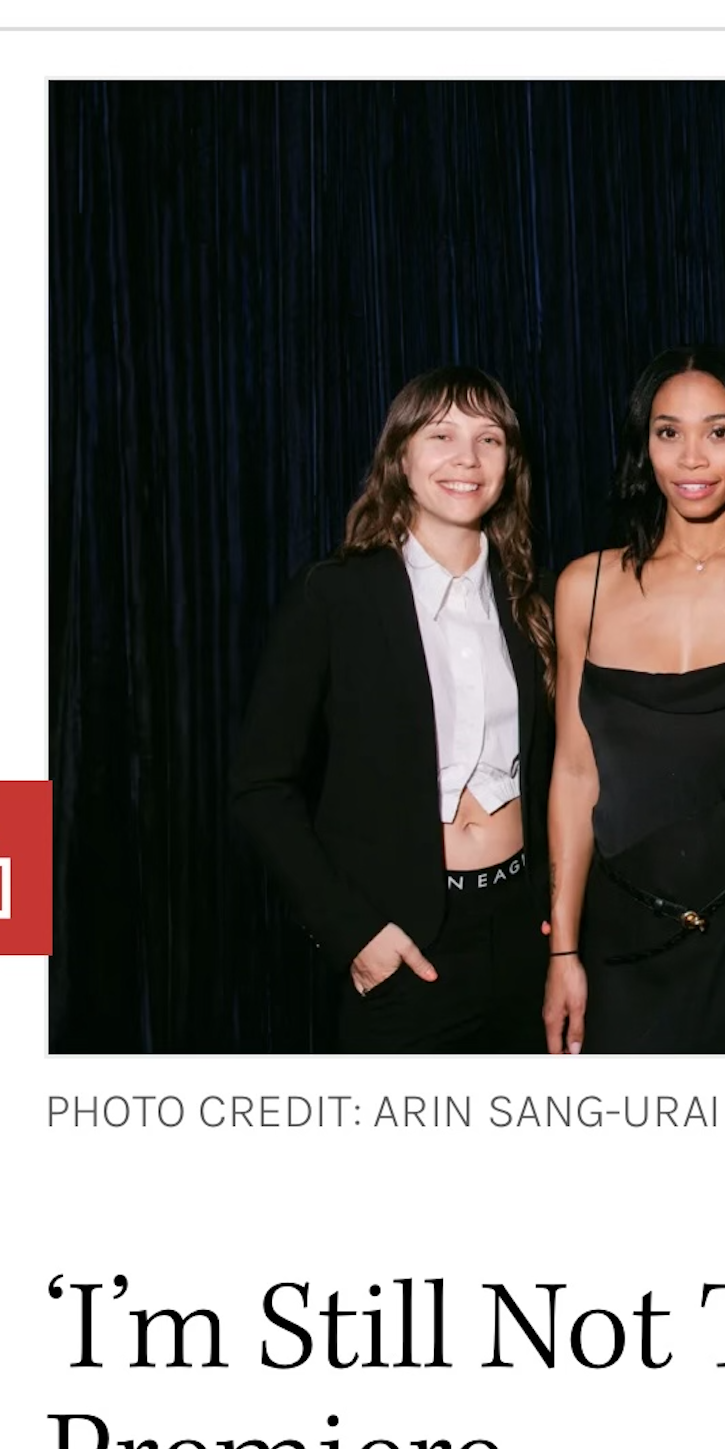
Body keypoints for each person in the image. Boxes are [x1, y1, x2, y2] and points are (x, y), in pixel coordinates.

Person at [233, 365, 554, 1052]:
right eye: (441, 435)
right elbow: (260, 788)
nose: (467, 458)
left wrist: (561, 920)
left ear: (510, 464)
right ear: (400, 457)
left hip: (525, 934)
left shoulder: (535, 599)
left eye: (489, 438)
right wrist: (353, 932)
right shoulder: (333, 595)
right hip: (404, 946)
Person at [544, 345, 725, 1054]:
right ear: (643, 446)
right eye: (668, 432)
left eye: (720, 431)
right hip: (623, 940)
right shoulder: (585, 587)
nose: (692, 458)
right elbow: (574, 774)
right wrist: (563, 951)